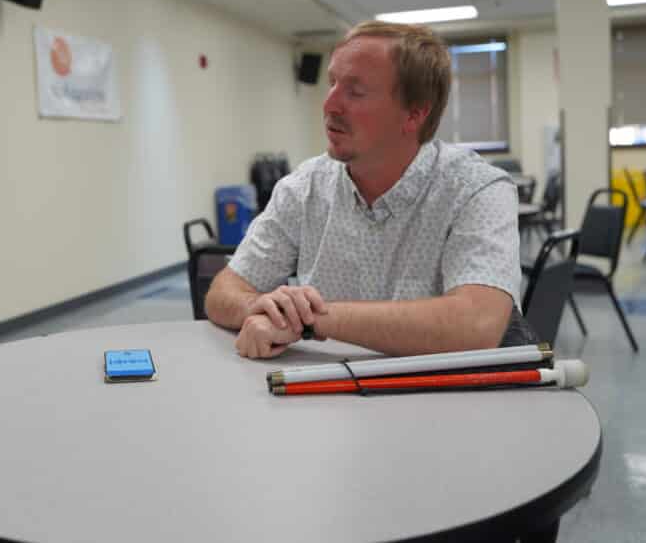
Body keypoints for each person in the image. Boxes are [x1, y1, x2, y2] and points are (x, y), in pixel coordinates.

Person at [206, 21, 529, 359]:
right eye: (332, 83)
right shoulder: (304, 188)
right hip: (325, 398)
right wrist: (260, 306)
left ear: (414, 115)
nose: (329, 105)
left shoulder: (477, 190)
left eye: (355, 92)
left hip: (443, 401)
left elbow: (477, 324)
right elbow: (223, 291)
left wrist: (309, 319)